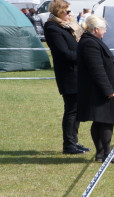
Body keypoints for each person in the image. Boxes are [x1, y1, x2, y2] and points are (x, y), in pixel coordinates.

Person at [77, 15, 114, 164]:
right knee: (105, 120)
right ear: (96, 29)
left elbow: (102, 61)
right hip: (97, 89)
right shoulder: (89, 43)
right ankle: (106, 153)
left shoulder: (93, 41)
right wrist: (107, 90)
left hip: (97, 88)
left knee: (100, 120)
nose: (105, 31)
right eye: (104, 28)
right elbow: (96, 69)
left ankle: (102, 153)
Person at [43, 0, 89, 155]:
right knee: (71, 110)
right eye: (68, 11)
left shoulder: (68, 26)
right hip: (68, 74)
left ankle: (74, 141)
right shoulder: (52, 28)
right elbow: (63, 53)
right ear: (59, 11)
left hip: (78, 73)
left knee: (77, 109)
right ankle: (69, 145)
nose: (71, 14)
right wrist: (84, 56)